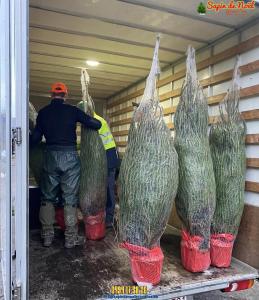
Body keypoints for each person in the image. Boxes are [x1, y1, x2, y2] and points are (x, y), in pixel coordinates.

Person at [30, 82, 102, 248]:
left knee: (47, 198)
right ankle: (71, 238)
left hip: (50, 156)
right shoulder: (72, 111)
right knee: (70, 198)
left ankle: (47, 236)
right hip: (70, 157)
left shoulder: (43, 113)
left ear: (51, 95)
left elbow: (34, 139)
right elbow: (95, 124)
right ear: (65, 95)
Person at [94, 113, 119, 227]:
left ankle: (109, 219)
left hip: (108, 159)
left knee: (109, 190)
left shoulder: (95, 122)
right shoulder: (97, 120)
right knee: (104, 190)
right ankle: (104, 217)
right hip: (106, 157)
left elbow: (94, 144)